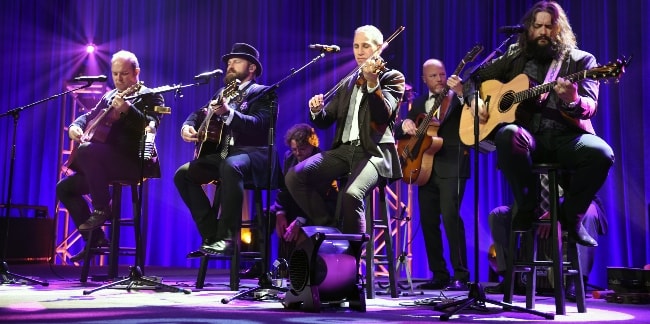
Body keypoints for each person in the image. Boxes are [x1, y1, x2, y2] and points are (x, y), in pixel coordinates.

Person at [465, 0, 614, 247]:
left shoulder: (582, 61)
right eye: (538, 26)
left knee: (602, 153)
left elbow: (591, 107)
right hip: (530, 139)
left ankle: (570, 218)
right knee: (508, 133)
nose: (543, 32)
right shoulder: (515, 57)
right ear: (529, 28)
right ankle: (527, 206)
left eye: (549, 27)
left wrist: (573, 99)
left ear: (560, 29)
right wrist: (475, 99)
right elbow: (474, 77)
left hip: (568, 138)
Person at [285, 25, 405, 235]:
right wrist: (316, 111)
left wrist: (372, 83)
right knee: (294, 177)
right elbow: (325, 120)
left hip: (373, 153)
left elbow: (383, 116)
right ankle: (329, 226)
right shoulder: (348, 82)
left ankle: (353, 259)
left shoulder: (392, 78)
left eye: (365, 46)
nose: (359, 51)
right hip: (343, 151)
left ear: (379, 48)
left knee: (351, 194)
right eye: (356, 46)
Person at [56, 50, 164, 262]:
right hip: (104, 165)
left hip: (134, 162)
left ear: (136, 72)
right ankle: (95, 238)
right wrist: (74, 126)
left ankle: (101, 208)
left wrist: (128, 109)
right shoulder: (109, 96)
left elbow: (150, 127)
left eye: (123, 73)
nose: (118, 79)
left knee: (88, 151)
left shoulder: (151, 95)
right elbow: (88, 117)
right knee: (64, 188)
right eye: (115, 74)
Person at [174, 43, 280, 257]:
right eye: (229, 62)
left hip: (255, 155)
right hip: (226, 156)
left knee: (231, 166)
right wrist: (187, 125)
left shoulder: (264, 93)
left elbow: (258, 125)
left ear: (251, 68)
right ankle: (212, 235)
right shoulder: (223, 92)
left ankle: (229, 238)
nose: (230, 66)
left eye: (236, 62)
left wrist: (228, 113)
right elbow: (200, 113)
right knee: (183, 174)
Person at [394, 59, 470, 290]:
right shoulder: (418, 102)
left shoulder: (457, 98)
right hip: (424, 168)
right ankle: (439, 273)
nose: (439, 79)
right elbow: (403, 132)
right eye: (433, 76)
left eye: (442, 74)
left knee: (450, 218)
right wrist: (405, 122)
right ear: (424, 79)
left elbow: (479, 113)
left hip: (452, 164)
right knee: (428, 221)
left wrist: (463, 94)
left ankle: (461, 274)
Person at [487, 196, 607, 299]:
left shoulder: (573, 168)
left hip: (572, 205)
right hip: (535, 207)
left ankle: (578, 282)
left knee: (590, 212)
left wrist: (555, 212)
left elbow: (577, 191)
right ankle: (510, 278)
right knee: (498, 215)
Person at [271, 123, 338, 261]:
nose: (298, 153)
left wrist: (299, 221)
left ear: (312, 144)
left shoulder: (321, 160)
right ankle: (271, 267)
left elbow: (315, 197)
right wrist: (280, 212)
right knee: (267, 217)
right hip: (296, 205)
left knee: (303, 230)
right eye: (294, 149)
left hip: (318, 207)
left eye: (302, 149)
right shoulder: (289, 157)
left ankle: (302, 267)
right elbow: (284, 188)